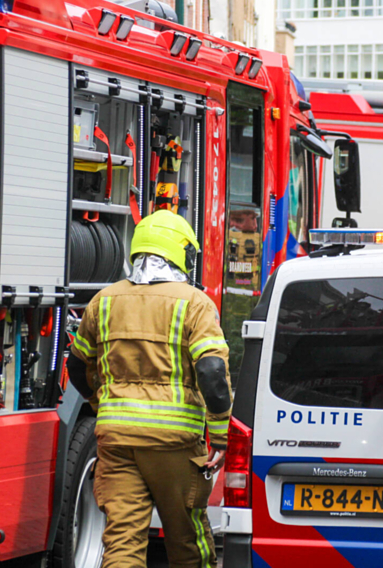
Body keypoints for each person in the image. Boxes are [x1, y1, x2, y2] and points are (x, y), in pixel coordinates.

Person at [67, 210, 232, 568]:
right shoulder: (195, 303)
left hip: (117, 442)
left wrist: (103, 404)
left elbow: (77, 366)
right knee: (187, 541)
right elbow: (212, 371)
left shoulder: (104, 300)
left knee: (122, 543)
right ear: (181, 252)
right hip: (174, 444)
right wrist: (219, 435)